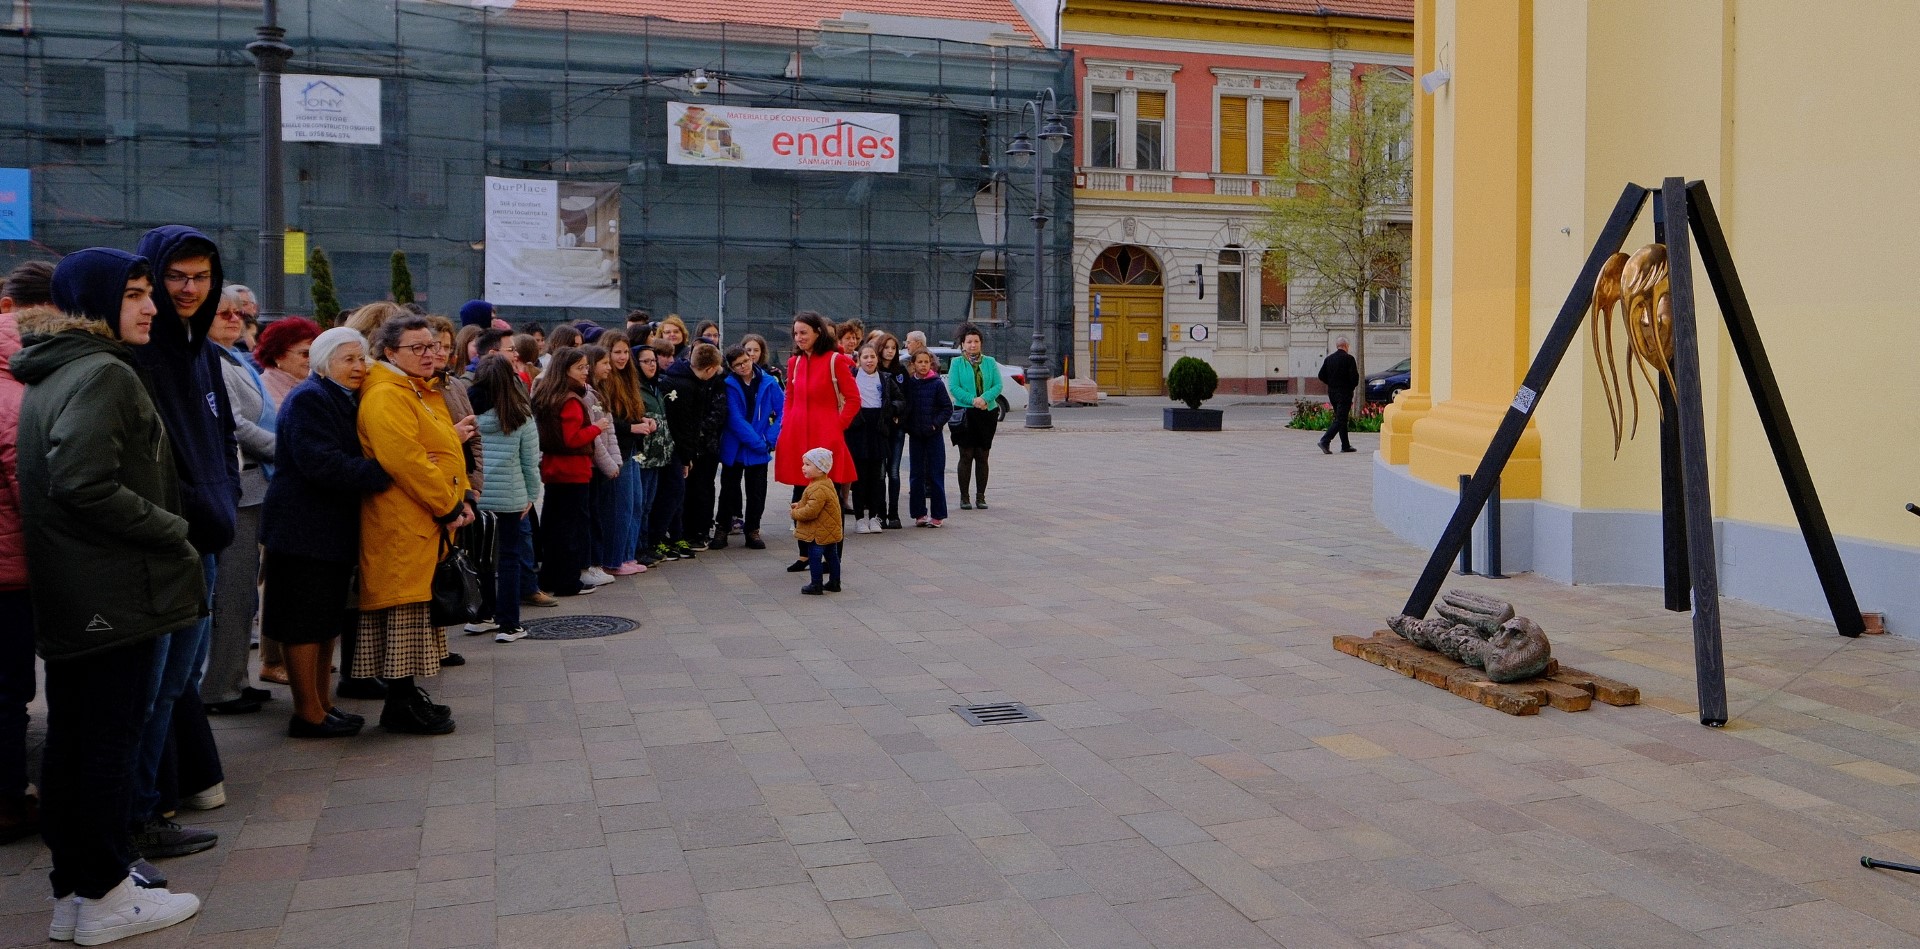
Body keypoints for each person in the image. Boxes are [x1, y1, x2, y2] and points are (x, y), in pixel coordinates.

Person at [16, 249, 203, 942]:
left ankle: (79, 891)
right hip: (112, 590)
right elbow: (82, 479)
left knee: (78, 740)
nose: (151, 305)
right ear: (96, 301)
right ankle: (103, 893)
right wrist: (169, 526)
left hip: (82, 587)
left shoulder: (62, 366)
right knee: (104, 744)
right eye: (133, 294)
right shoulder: (100, 371)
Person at [128, 225, 235, 860]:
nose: (189, 290)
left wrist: (218, 496)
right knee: (151, 688)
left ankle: (150, 808)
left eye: (200, 277)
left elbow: (219, 434)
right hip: (171, 545)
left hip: (207, 541)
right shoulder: (140, 353)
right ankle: (139, 815)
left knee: (174, 686)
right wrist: (198, 508)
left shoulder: (201, 351)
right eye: (176, 277)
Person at [262, 327, 389, 738]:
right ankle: (308, 714)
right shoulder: (310, 399)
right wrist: (386, 472)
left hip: (325, 532)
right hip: (303, 532)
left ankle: (322, 704)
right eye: (349, 360)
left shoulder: (334, 396)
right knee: (303, 624)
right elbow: (322, 465)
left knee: (324, 623)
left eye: (362, 358)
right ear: (324, 363)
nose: (359, 367)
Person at [356, 315, 475, 735]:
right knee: (403, 614)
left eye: (433, 346)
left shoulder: (413, 388)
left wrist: (457, 499)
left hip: (423, 520)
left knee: (415, 613)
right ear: (390, 352)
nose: (431, 354)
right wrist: (448, 504)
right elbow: (407, 461)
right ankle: (400, 702)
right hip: (404, 523)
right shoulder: (388, 394)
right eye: (418, 348)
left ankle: (407, 697)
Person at [201, 288, 278, 716]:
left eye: (239, 313)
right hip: (241, 486)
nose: (234, 319)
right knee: (231, 591)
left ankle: (233, 679)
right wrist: (287, 448)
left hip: (255, 483)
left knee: (242, 592)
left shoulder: (233, 357)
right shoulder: (211, 357)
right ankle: (219, 687)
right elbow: (236, 425)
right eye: (223, 313)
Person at [0, 261, 50, 845]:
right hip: (12, 572)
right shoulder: (18, 393)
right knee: (11, 692)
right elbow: (30, 489)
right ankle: (9, 802)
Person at [774, 312, 858, 572]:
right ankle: (805, 554)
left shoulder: (835, 361)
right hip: (798, 435)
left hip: (826, 437)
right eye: (796, 333)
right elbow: (789, 396)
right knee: (801, 493)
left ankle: (833, 557)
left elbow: (853, 399)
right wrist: (785, 425)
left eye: (803, 333)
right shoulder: (795, 362)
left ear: (817, 333)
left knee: (830, 498)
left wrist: (837, 426)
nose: (798, 338)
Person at [472, 355, 541, 642]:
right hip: (510, 497)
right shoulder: (520, 416)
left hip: (476, 496)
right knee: (509, 558)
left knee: (480, 559)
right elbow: (529, 462)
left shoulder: (468, 416)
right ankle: (509, 623)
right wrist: (532, 494)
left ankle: (484, 613)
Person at [532, 347, 603, 597]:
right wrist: (597, 428)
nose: (586, 372)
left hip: (553, 468)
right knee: (572, 529)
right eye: (580, 368)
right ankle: (568, 581)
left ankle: (549, 577)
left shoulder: (547, 394)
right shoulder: (570, 399)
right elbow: (572, 439)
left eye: (586, 367)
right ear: (566, 370)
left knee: (553, 526)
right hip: (572, 470)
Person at [659, 342, 727, 554]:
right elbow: (685, 426)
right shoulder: (685, 387)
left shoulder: (684, 380)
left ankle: (677, 535)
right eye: (715, 370)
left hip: (681, 449)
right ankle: (660, 538)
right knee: (673, 495)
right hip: (677, 450)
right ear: (708, 369)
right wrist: (687, 456)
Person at [715, 344, 783, 551]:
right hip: (736, 446)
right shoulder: (727, 384)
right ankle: (722, 528)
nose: (744, 366)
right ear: (731, 367)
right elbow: (734, 419)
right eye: (738, 365)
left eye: (745, 361)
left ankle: (753, 529)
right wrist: (759, 442)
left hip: (761, 446)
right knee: (728, 489)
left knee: (757, 491)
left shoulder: (770, 382)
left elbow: (783, 412)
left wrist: (770, 439)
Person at [595, 332, 652, 574]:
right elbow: (608, 420)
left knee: (636, 504)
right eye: (617, 352)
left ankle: (627, 555)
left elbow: (627, 414)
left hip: (631, 450)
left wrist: (643, 421)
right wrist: (633, 427)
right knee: (621, 507)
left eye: (625, 352)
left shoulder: (629, 378)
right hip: (615, 451)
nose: (622, 357)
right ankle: (614, 559)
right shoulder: (605, 382)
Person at [946, 322, 1002, 511]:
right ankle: (964, 497)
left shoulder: (990, 362)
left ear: (981, 343)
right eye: (969, 342)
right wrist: (973, 400)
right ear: (962, 344)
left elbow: (997, 385)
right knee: (966, 454)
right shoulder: (956, 363)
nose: (972, 345)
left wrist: (985, 399)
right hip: (965, 413)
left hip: (987, 412)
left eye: (976, 341)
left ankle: (981, 496)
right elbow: (954, 387)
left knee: (982, 455)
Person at [579, 343, 622, 588]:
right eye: (604, 363)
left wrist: (615, 461)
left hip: (602, 464)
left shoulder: (599, 393)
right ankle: (591, 564)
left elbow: (609, 430)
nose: (609, 367)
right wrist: (608, 464)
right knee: (592, 515)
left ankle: (597, 562)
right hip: (593, 466)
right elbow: (594, 435)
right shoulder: (587, 395)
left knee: (597, 514)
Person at [847, 343, 901, 534]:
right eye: (865, 357)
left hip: (879, 430)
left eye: (872, 357)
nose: (869, 360)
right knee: (859, 477)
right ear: (859, 360)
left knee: (877, 478)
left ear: (877, 359)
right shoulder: (851, 377)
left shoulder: (885, 378)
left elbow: (899, 399)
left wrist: (891, 411)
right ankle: (860, 518)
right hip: (858, 430)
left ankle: (875, 517)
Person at [901, 349, 953, 527]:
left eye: (926, 362)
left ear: (931, 364)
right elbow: (906, 408)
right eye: (919, 362)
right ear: (913, 364)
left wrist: (935, 424)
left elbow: (947, 408)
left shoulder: (937, 384)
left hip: (933, 436)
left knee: (936, 474)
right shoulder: (910, 384)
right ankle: (919, 514)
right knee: (916, 475)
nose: (923, 365)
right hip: (916, 436)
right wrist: (908, 426)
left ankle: (938, 515)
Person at [632, 340, 672, 566]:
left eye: (653, 361)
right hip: (642, 455)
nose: (652, 365)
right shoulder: (636, 387)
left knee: (648, 505)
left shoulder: (656, 386)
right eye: (646, 361)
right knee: (640, 505)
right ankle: (638, 548)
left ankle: (645, 545)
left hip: (658, 455)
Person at [790, 448, 843, 596]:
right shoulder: (826, 482)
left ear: (820, 469)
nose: (803, 467)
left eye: (807, 464)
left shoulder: (817, 487)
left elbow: (811, 511)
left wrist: (795, 513)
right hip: (829, 529)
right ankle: (835, 582)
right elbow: (813, 503)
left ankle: (816, 583)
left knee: (815, 557)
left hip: (818, 533)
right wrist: (800, 504)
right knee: (832, 556)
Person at [874, 331, 908, 529]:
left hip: (897, 429)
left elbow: (906, 400)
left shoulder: (901, 371)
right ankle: (880, 513)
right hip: (879, 428)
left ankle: (893, 513)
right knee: (879, 473)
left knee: (893, 471)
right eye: (886, 348)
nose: (889, 351)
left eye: (893, 348)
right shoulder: (874, 370)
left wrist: (898, 415)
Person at [253, 316, 319, 405]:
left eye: (315, 353)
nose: (311, 359)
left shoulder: (317, 385)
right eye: (305, 353)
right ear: (278, 355)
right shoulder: (261, 390)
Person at [1317, 337, 1360, 454]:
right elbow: (1355, 378)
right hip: (1344, 393)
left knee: (1341, 418)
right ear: (1346, 346)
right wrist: (1350, 387)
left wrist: (1331, 383)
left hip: (1332, 392)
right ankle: (1325, 440)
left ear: (1337, 346)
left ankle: (1345, 445)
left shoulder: (1329, 359)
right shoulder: (1349, 359)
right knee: (1341, 419)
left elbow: (1321, 375)